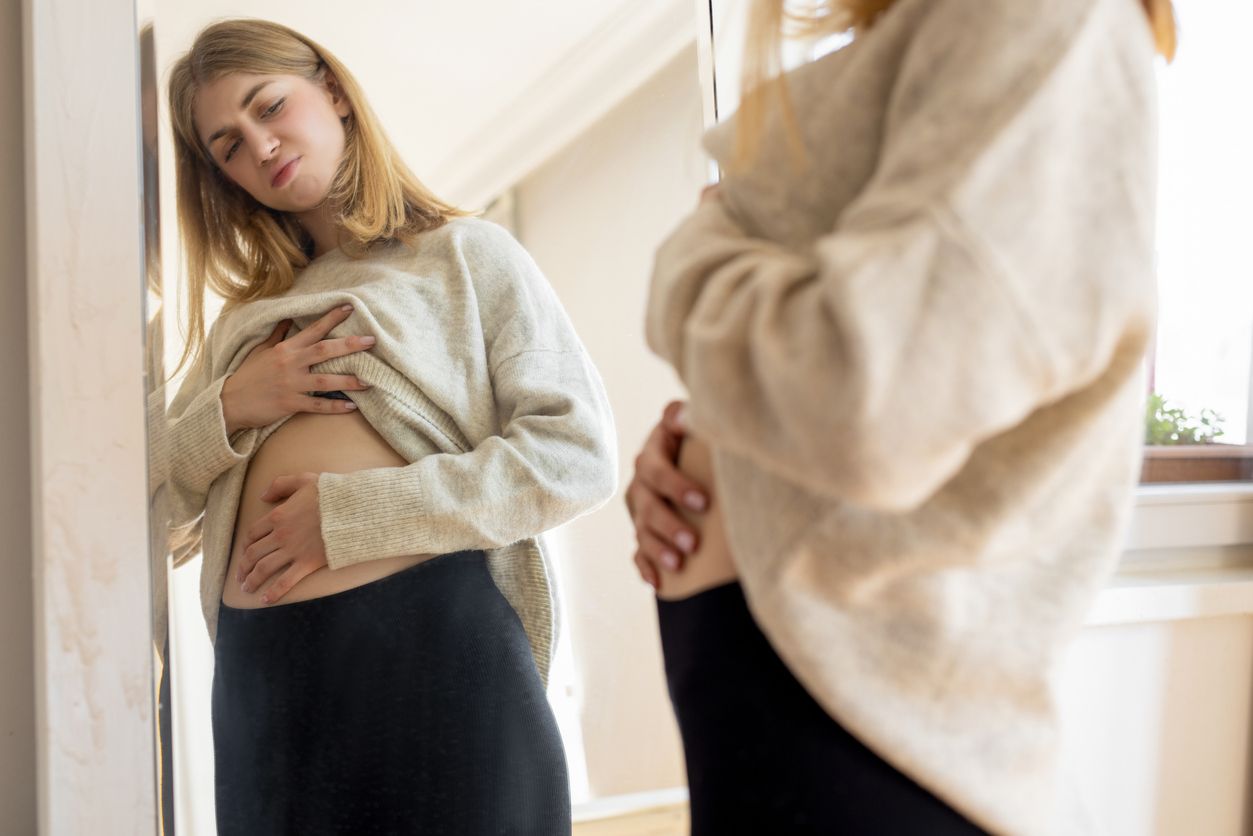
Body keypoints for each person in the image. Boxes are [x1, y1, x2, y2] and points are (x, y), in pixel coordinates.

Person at [627, 0, 1176, 833]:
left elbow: (868, 398)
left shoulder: (1043, 18)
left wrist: (690, 254)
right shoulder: (937, 31)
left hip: (861, 740)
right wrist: (714, 441)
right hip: (791, 711)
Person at [158, 18, 617, 835]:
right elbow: (145, 504)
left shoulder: (468, 256)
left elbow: (574, 455)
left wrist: (350, 519)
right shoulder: (242, 326)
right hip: (266, 687)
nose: (260, 147)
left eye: (270, 107)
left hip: (437, 657)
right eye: (227, 144)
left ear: (333, 92)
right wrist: (234, 406)